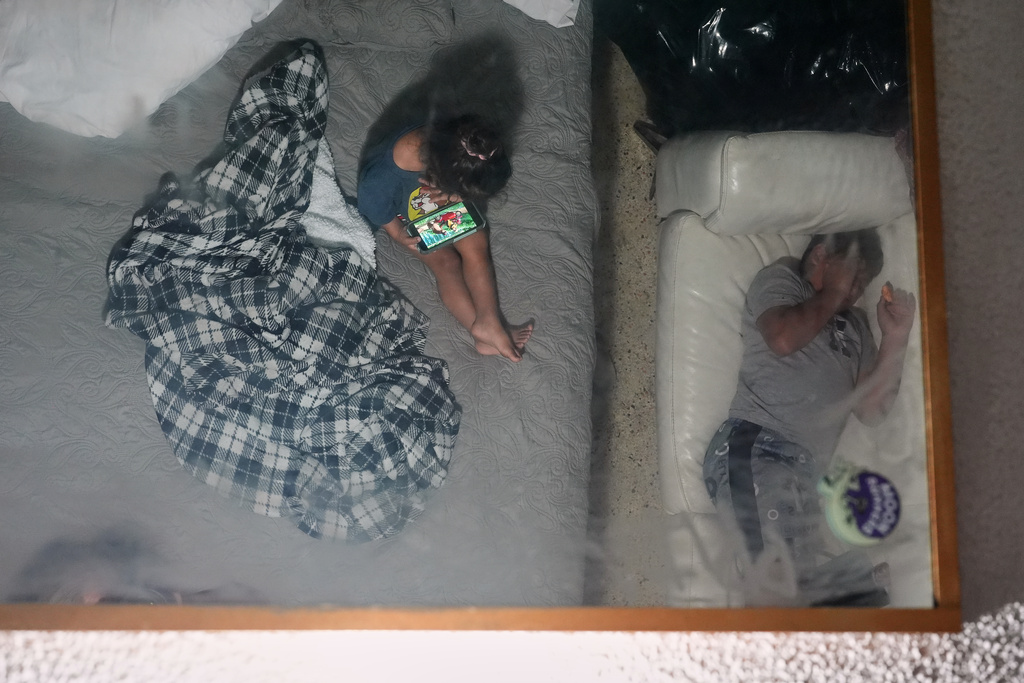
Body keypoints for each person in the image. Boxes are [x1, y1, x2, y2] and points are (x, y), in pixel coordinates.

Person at [702, 229, 917, 606]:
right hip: (758, 448)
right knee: (775, 584)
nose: (853, 292)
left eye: (860, 284)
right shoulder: (783, 282)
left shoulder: (856, 328)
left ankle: (858, 584)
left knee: (790, 591)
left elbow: (872, 409)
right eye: (852, 276)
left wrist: (895, 338)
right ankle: (858, 584)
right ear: (820, 255)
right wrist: (832, 294)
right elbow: (781, 338)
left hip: (804, 478)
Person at [357, 114, 533, 362]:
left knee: (476, 242)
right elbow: (374, 209)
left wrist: (455, 198)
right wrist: (397, 233)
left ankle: (489, 323)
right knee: (446, 263)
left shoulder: (460, 139)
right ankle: (480, 329)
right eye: (460, 193)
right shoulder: (381, 180)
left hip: (440, 190)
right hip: (406, 214)